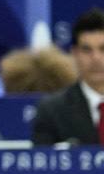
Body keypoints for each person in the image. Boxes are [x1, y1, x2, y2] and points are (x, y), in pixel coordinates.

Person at [32, 8, 104, 145]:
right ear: (75, 53)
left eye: (103, 49)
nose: (96, 58)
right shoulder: (52, 111)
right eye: (87, 50)